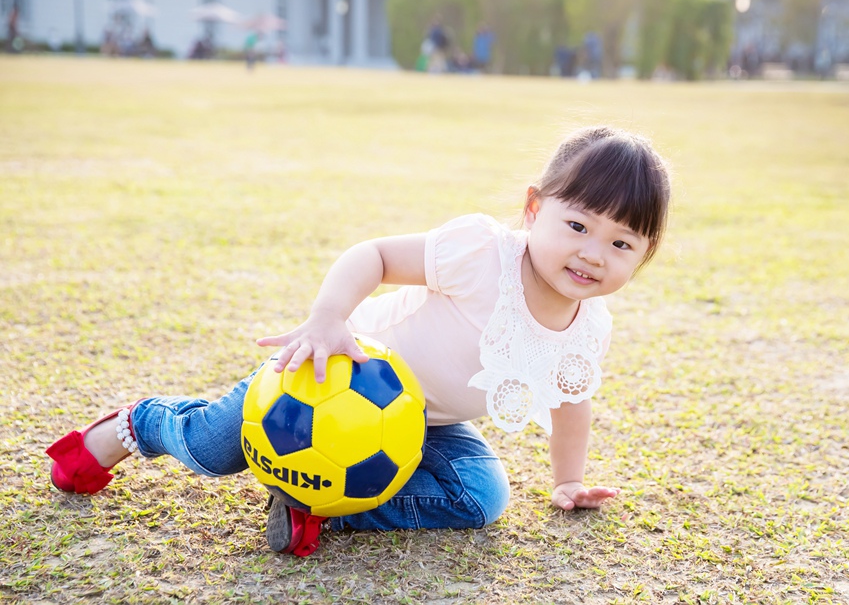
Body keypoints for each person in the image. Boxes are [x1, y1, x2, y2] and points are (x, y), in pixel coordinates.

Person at [46, 127, 672, 558]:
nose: (592, 253)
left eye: (621, 244)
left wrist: (567, 481)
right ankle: (137, 426)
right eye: (577, 225)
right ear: (534, 209)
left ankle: (318, 506)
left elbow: (572, 405)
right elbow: (373, 255)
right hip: (329, 375)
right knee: (215, 448)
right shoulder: (483, 255)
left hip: (419, 426)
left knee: (482, 496)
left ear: (643, 259)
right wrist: (327, 320)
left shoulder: (588, 327)